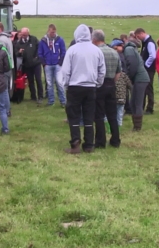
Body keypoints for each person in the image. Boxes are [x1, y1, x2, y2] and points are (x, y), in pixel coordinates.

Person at [60, 24, 105, 154]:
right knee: (89, 116)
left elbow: (65, 70)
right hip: (91, 87)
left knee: (73, 116)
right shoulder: (96, 50)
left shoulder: (72, 50)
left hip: (74, 87)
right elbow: (102, 70)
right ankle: (89, 145)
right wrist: (98, 83)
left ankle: (75, 144)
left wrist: (66, 84)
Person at [92, 30, 121, 149]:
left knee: (99, 115)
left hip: (100, 85)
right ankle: (115, 140)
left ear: (94, 39)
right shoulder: (114, 52)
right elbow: (119, 72)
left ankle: (100, 141)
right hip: (111, 85)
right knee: (112, 115)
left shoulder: (96, 52)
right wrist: (112, 83)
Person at [122, 35, 150, 131]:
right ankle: (135, 125)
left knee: (137, 103)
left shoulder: (128, 49)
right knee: (132, 102)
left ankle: (137, 127)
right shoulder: (130, 48)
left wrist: (128, 78)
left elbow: (132, 66)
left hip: (140, 79)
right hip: (138, 79)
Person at [39, 24, 66, 107]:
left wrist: (60, 62)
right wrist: (44, 63)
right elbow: (40, 53)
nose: (53, 34)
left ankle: (63, 101)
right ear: (48, 31)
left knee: (59, 83)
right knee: (49, 84)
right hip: (48, 65)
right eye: (51, 32)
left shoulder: (60, 40)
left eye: (54, 32)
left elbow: (63, 52)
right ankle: (51, 101)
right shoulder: (43, 41)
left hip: (57, 65)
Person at [14, 27, 43, 103]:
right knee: (30, 81)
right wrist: (19, 52)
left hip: (36, 64)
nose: (24, 36)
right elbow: (16, 53)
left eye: (25, 35)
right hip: (27, 65)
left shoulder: (34, 39)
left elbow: (39, 48)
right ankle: (33, 96)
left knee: (38, 80)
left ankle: (40, 97)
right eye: (22, 35)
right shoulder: (19, 43)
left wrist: (37, 57)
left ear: (28, 34)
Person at [0, 22, 13, 116]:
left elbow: (0, 56)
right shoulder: (6, 38)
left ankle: (6, 111)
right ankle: (6, 110)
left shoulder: (1, 40)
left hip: (3, 69)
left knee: (3, 91)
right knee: (4, 90)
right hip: (7, 67)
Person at [134, 28, 157, 114]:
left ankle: (150, 108)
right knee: (145, 88)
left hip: (149, 70)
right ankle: (143, 106)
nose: (138, 38)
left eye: (138, 36)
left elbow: (153, 56)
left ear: (142, 33)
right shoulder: (145, 42)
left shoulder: (150, 42)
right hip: (147, 69)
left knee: (149, 88)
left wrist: (145, 65)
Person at [111, 39, 132, 127]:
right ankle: (118, 125)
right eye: (120, 45)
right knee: (119, 110)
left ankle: (112, 124)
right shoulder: (119, 56)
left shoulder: (119, 55)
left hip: (116, 93)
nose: (122, 47)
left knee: (114, 110)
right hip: (122, 90)